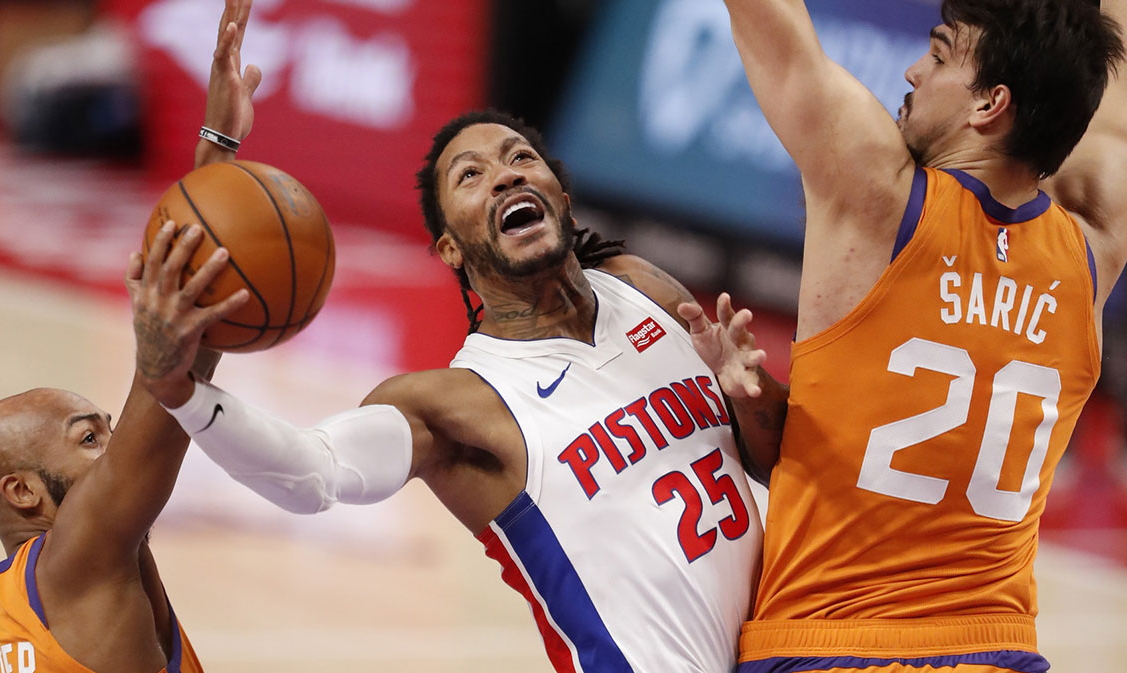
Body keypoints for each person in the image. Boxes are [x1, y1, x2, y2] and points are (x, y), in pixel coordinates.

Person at [133, 2, 789, 671]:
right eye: (470, 175)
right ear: (451, 250)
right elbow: (312, 471)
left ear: (560, 196)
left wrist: (750, 394)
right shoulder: (457, 403)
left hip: (791, 649)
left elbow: (778, 459)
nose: (505, 174)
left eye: (520, 158)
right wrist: (182, 391)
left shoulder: (642, 287)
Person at [699, 0, 1127, 671]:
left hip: (831, 645)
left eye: (937, 53)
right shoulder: (1094, 247)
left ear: (989, 106)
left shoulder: (876, 195)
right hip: (999, 649)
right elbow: (1114, 112)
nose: (911, 70)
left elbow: (770, 24)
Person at [0, 4, 255, 668]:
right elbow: (171, 391)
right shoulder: (77, 557)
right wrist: (214, 162)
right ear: (24, 492)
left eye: (108, 431)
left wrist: (214, 164)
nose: (118, 449)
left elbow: (180, 378)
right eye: (90, 437)